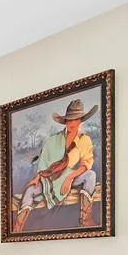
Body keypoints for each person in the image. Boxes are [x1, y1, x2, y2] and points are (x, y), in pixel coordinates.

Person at [13, 98, 97, 233]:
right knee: (29, 191)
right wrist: (38, 177)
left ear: (80, 120)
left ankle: (85, 220)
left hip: (70, 176)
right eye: (68, 119)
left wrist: (69, 178)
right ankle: (16, 231)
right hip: (51, 178)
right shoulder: (53, 140)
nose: (71, 123)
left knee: (91, 175)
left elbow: (86, 164)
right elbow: (44, 161)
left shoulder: (84, 140)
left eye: (75, 119)